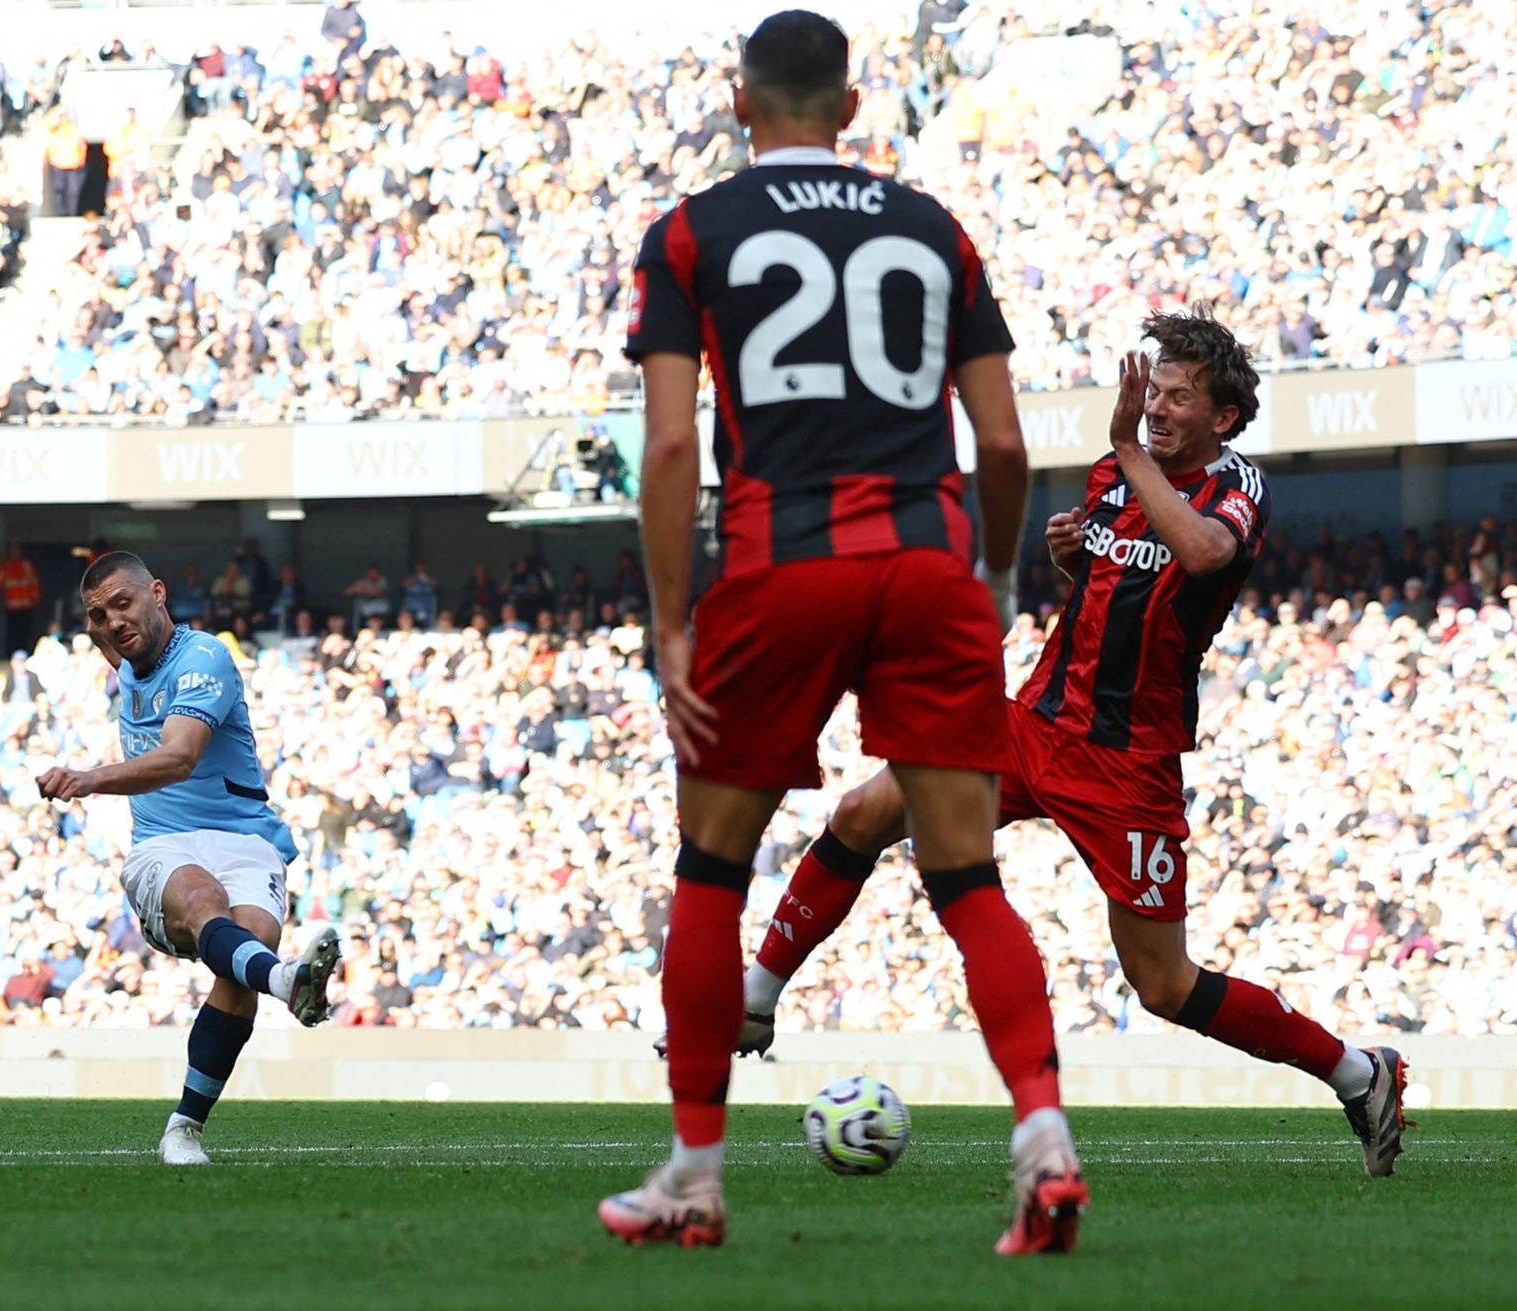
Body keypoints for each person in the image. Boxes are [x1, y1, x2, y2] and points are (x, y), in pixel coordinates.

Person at [597, 10, 1083, 1254]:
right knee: (967, 877)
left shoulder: (692, 232)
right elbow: (1010, 446)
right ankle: (1044, 1141)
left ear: (739, 104)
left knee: (711, 871)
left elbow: (663, 444)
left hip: (779, 564)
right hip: (927, 563)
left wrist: (667, 625)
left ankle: (695, 1175)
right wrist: (990, 578)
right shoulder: (932, 230)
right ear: (851, 109)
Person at [724, 308, 1412, 1178]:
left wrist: (1128, 451)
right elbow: (1114, 584)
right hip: (1030, 722)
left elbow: (1201, 554)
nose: (1156, 408)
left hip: (1126, 761)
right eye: (1151, 391)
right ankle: (755, 997)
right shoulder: (1112, 477)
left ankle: (1359, 1072)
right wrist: (1068, 553)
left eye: (1178, 398)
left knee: (1162, 985)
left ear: (1224, 419)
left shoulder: (1237, 485)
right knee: (863, 811)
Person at [35, 551, 342, 1165]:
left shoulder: (203, 658)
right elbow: (112, 633)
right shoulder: (124, 651)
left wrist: (87, 778)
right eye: (99, 615)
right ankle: (286, 980)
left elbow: (179, 758)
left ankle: (183, 1129)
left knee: (247, 943)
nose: (114, 622)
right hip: (164, 845)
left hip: (245, 838)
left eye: (124, 604)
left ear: (159, 593)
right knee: (207, 904)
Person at [2, 543, 41, 652]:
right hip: (10, 608)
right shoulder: (3, 566)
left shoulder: (26, 565)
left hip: (25, 607)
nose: (15, 553)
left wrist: (34, 601)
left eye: (17, 550)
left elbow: (34, 583)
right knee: (12, 636)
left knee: (25, 636)